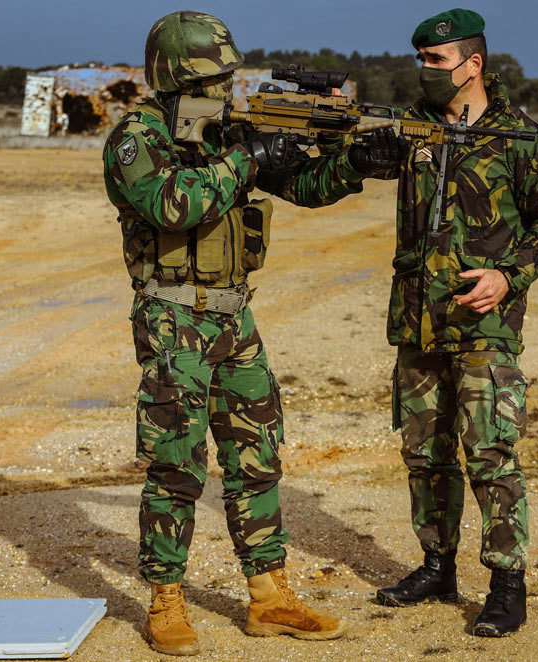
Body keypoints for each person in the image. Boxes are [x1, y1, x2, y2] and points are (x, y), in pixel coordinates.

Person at [101, 10, 392, 656]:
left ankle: (270, 597)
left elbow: (302, 185)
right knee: (176, 464)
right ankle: (166, 600)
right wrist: (245, 158)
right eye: (213, 79)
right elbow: (169, 204)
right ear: (176, 76)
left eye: (227, 78)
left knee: (256, 457)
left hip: (236, 314)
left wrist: (356, 165)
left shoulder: (227, 133)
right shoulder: (138, 137)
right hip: (174, 316)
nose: (225, 90)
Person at [372, 8, 538, 637]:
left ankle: (506, 583)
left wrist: (508, 276)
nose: (425, 71)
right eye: (421, 61)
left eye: (436, 60)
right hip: (417, 323)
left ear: (474, 64)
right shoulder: (411, 132)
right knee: (424, 456)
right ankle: (437, 566)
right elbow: (340, 166)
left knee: (490, 453)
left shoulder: (525, 139)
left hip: (484, 327)